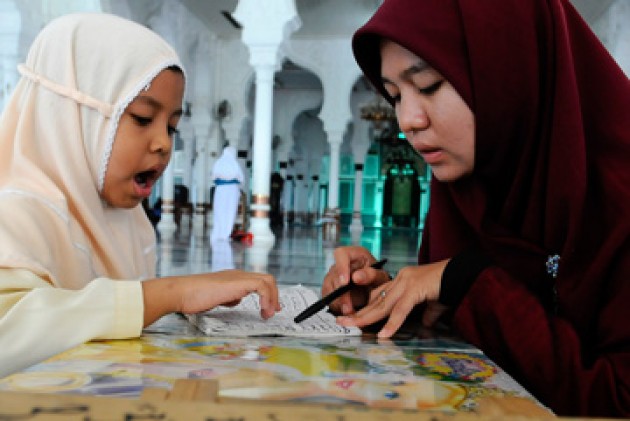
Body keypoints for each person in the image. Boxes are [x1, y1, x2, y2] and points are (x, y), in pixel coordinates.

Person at [321, 0, 630, 417]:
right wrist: (387, 301)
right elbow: (468, 347)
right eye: (394, 96)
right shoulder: (468, 191)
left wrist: (469, 280)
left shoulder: (618, 196)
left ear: (511, 74)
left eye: (428, 85)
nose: (407, 120)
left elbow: (616, 400)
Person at [0, 13, 280, 378]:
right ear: (72, 116)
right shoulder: (16, 214)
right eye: (143, 118)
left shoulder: (127, 223)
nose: (164, 143)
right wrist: (167, 294)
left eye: (172, 126)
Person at [210, 145, 245, 242]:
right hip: (232, 190)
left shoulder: (218, 162)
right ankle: (226, 234)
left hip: (220, 189)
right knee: (230, 211)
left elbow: (213, 176)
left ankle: (217, 233)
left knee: (219, 211)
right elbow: (241, 178)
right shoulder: (234, 164)